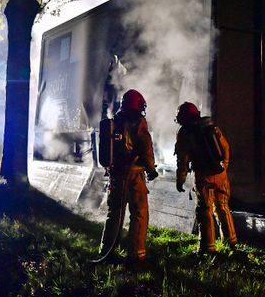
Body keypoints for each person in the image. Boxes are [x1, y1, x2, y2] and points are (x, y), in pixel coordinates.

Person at [97, 89, 159, 264]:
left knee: (114, 213)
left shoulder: (115, 121)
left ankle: (106, 249)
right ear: (138, 104)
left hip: (116, 175)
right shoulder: (138, 122)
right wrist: (151, 169)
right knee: (139, 213)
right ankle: (136, 254)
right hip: (133, 176)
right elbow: (145, 148)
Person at [174, 102, 237, 253]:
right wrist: (222, 168)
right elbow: (225, 148)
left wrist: (180, 179)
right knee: (223, 207)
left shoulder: (185, 133)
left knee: (204, 209)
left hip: (203, 176)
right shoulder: (210, 127)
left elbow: (183, 160)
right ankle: (231, 241)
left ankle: (207, 247)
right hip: (220, 174)